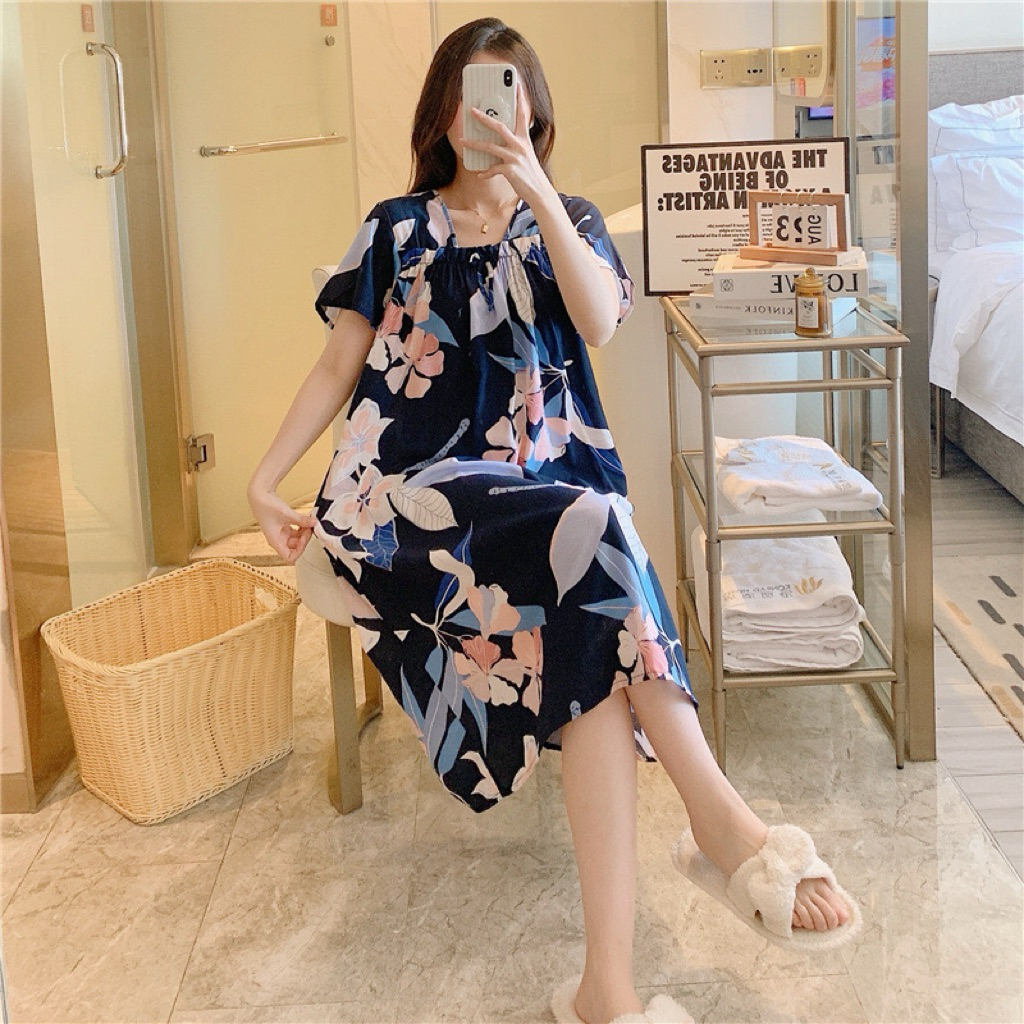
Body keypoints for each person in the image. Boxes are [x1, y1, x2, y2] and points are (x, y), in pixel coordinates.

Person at [249, 17, 861, 1024]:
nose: (492, 112)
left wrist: (532, 189)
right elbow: (336, 365)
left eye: (511, 93)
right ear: (443, 112)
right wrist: (263, 481)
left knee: (592, 617)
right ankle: (720, 823)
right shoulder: (394, 228)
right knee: (597, 533)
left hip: (547, 499)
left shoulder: (563, 218)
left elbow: (600, 320)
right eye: (474, 93)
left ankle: (604, 989)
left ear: (532, 111)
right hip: (405, 497)